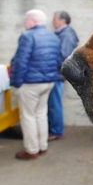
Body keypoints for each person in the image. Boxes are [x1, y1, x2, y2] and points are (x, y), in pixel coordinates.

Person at [10, 10, 61, 160]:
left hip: (31, 84)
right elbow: (57, 60)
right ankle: (42, 145)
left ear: (32, 21)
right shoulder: (53, 36)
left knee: (28, 116)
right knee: (41, 114)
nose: (24, 23)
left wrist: (17, 82)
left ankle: (32, 150)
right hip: (49, 82)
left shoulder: (27, 36)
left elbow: (21, 61)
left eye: (26, 20)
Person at [47, 11, 79, 141]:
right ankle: (55, 129)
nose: (52, 21)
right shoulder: (64, 33)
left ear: (62, 21)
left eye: (54, 19)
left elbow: (64, 57)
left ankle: (56, 131)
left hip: (56, 75)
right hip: (56, 74)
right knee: (53, 103)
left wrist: (50, 66)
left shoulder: (66, 35)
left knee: (54, 104)